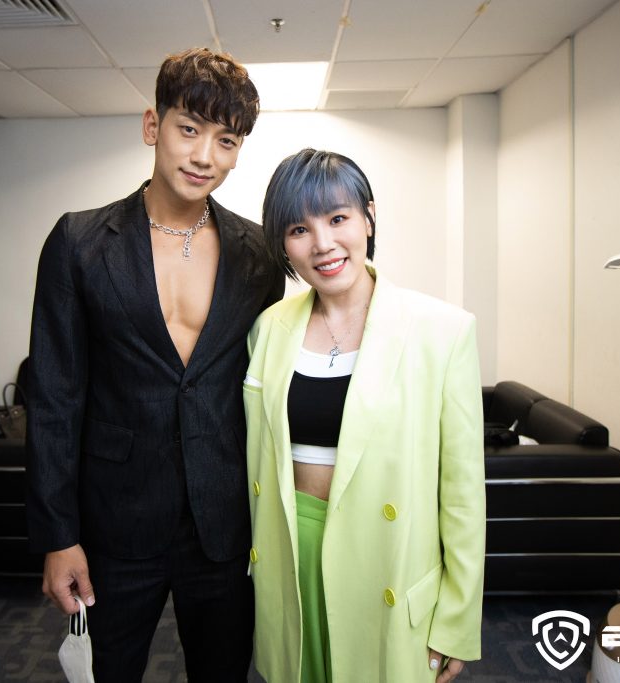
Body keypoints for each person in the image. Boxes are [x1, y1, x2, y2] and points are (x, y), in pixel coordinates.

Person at [26, 47, 284, 681]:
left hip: (223, 521)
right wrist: (59, 536)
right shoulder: (78, 242)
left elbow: (271, 381)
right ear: (153, 126)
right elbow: (55, 399)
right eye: (189, 129)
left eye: (226, 140)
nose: (204, 156)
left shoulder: (258, 253)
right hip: (115, 520)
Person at [243, 149, 486, 682]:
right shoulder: (268, 328)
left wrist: (457, 618)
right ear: (283, 244)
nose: (322, 244)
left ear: (368, 218)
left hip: (386, 557)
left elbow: (464, 493)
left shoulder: (442, 331)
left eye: (338, 219)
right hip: (290, 544)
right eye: (299, 229)